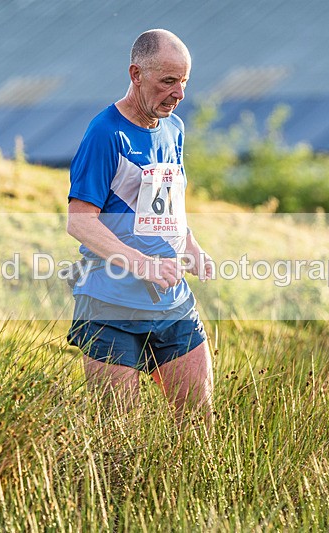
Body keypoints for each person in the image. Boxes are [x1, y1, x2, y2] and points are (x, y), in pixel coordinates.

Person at [66, 29, 214, 428]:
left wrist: (191, 246)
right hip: (110, 306)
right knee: (119, 438)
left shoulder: (174, 128)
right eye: (168, 81)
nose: (178, 93)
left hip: (171, 304)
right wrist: (142, 264)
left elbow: (169, 205)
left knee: (199, 428)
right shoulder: (105, 133)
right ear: (136, 74)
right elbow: (79, 221)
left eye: (184, 81)